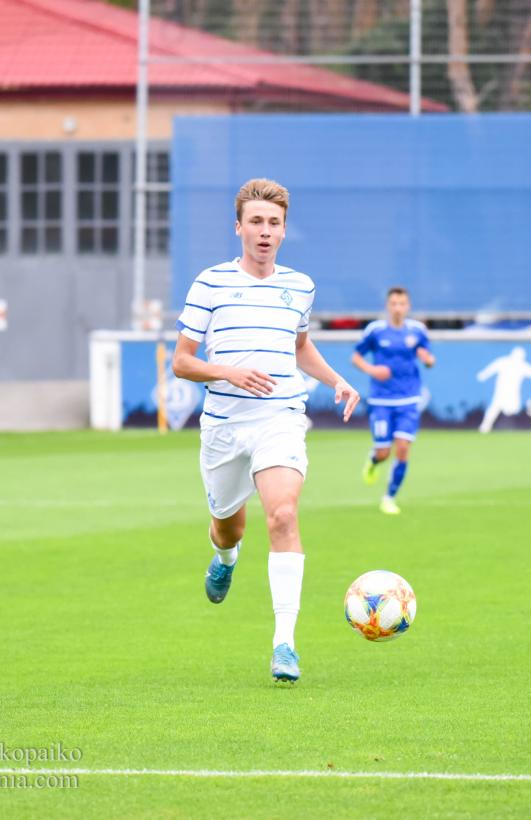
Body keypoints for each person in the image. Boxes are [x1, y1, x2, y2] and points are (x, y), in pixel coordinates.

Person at [172, 178, 360, 684]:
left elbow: (299, 346)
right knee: (228, 527)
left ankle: (285, 644)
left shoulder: (300, 286)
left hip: (281, 417)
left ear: (283, 231)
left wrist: (337, 380)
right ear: (238, 227)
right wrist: (229, 372)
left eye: (273, 223)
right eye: (255, 221)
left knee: (282, 514)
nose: (265, 231)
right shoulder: (210, 283)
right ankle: (225, 556)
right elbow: (182, 362)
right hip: (224, 426)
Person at [352, 287, 435, 515]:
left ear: (408, 306)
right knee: (383, 452)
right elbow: (356, 357)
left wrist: (428, 360)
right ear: (388, 306)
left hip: (409, 398)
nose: (398, 308)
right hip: (381, 400)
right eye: (394, 304)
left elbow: (429, 359)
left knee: (403, 448)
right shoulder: (376, 330)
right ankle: (374, 460)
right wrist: (372, 370)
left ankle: (389, 498)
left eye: (402, 304)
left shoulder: (417, 330)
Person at [476, 347, 531, 433]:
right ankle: (485, 426)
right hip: (501, 391)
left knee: (513, 409)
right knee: (494, 408)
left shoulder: (523, 365)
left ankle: (507, 423)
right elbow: (492, 368)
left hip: (513, 393)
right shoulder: (503, 361)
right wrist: (483, 374)